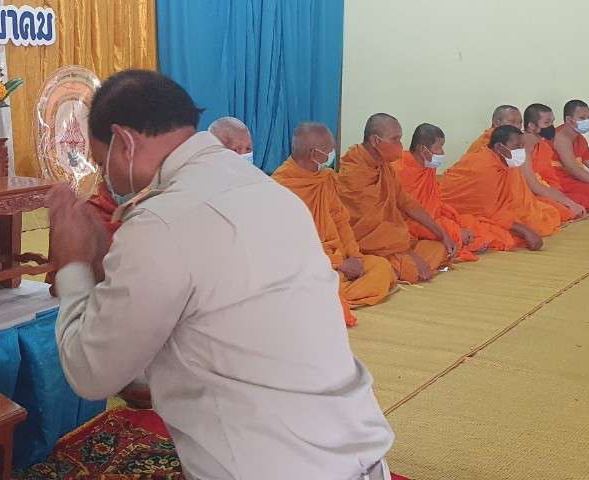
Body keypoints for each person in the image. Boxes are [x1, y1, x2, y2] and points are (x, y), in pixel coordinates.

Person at [47, 70, 393, 480]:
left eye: (101, 162)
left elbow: (90, 372)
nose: (105, 178)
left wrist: (72, 262)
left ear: (124, 143)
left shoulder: (161, 222)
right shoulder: (270, 190)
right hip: (361, 454)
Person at [272, 122, 398, 311]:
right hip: (311, 265)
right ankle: (338, 293)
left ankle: (337, 295)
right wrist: (339, 264)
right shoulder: (281, 187)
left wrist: (355, 256)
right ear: (314, 154)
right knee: (311, 284)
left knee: (381, 266)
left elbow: (340, 220)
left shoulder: (326, 178)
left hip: (339, 256)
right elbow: (289, 248)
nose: (333, 153)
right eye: (329, 149)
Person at [336, 114, 454, 283]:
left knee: (439, 248)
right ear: (376, 141)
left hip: (392, 241)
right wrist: (409, 253)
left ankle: (398, 266)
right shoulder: (353, 173)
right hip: (366, 245)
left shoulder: (384, 167)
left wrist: (441, 233)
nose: (400, 145)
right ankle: (390, 267)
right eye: (395, 139)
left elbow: (407, 202)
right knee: (398, 269)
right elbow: (371, 225)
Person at [395, 123, 507, 260]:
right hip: (411, 223)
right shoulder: (399, 169)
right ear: (423, 149)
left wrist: (452, 221)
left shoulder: (427, 166)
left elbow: (433, 202)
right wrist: (452, 231)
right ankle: (459, 240)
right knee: (456, 234)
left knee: (476, 227)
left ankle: (462, 239)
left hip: (433, 218)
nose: (442, 153)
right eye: (439, 147)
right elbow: (404, 216)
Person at [466, 105, 576, 223]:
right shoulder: (489, 145)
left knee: (556, 210)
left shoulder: (519, 144)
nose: (517, 127)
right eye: (512, 122)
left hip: (516, 195)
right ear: (497, 122)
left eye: (519, 123)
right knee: (547, 215)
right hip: (491, 199)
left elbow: (527, 180)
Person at [441, 125, 546, 250]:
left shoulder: (502, 162)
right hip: (456, 211)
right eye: (516, 147)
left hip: (493, 211)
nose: (520, 151)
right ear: (499, 147)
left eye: (522, 147)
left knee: (534, 219)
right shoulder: (485, 167)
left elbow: (502, 201)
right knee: (498, 237)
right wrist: (525, 230)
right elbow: (489, 212)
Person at [522, 103, 589, 218]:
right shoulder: (520, 147)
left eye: (552, 122)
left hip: (540, 190)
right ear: (532, 126)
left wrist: (564, 200)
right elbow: (533, 185)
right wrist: (569, 203)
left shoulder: (543, 147)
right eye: (546, 123)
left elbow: (549, 178)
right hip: (523, 193)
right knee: (555, 213)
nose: (551, 127)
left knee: (572, 203)